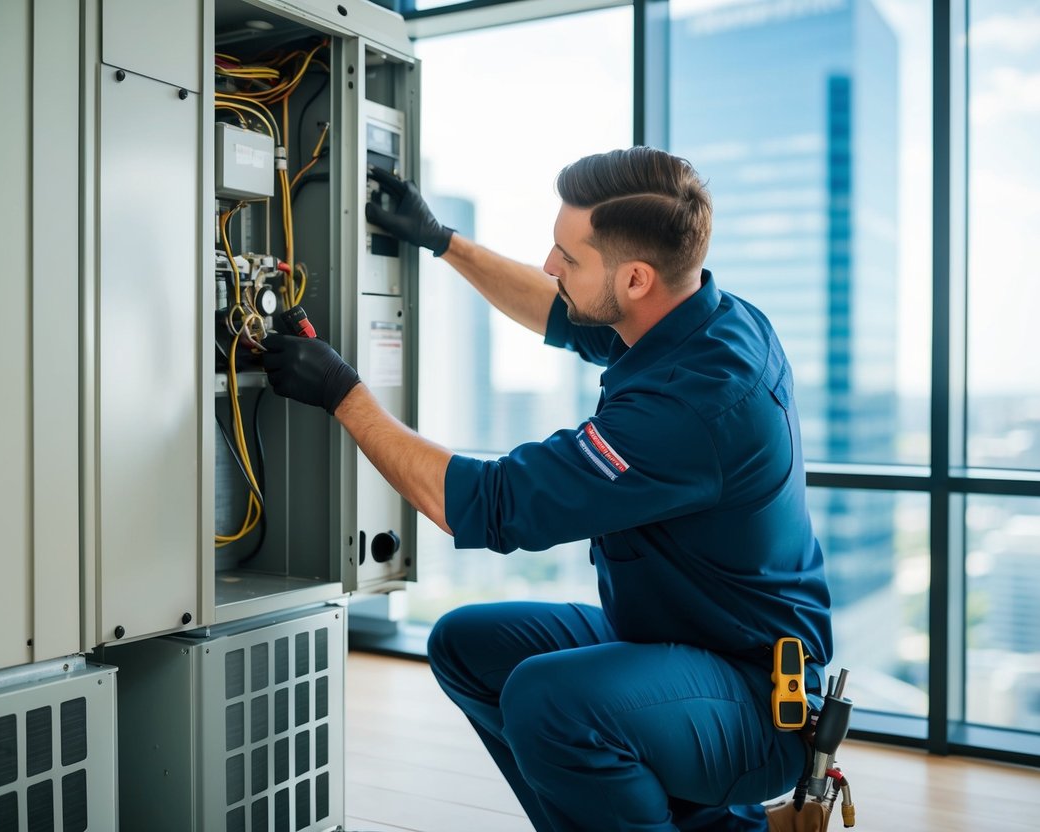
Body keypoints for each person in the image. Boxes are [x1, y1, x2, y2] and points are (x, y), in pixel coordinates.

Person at [261, 146, 833, 832]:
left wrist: (342, 394)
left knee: (550, 701)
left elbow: (486, 503)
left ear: (635, 279)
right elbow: (562, 311)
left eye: (569, 255)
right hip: (672, 640)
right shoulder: (697, 317)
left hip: (756, 699)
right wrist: (441, 240)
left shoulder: (690, 409)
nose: (549, 264)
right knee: (464, 645)